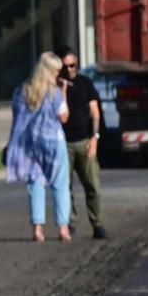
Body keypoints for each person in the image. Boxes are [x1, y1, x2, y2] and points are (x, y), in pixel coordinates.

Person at [6, 52, 72, 242]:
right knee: (60, 183)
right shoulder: (54, 93)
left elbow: (17, 118)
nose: (59, 74)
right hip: (53, 141)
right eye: (57, 71)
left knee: (35, 182)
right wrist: (64, 93)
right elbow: (64, 117)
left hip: (30, 142)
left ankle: (38, 228)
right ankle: (63, 227)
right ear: (49, 71)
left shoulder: (22, 91)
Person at [56, 45, 108, 239]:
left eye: (73, 65)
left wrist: (95, 138)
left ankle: (98, 223)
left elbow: (95, 112)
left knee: (93, 185)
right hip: (62, 144)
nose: (70, 70)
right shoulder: (54, 87)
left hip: (85, 140)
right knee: (64, 187)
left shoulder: (85, 83)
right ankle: (70, 223)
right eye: (65, 66)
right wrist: (61, 89)